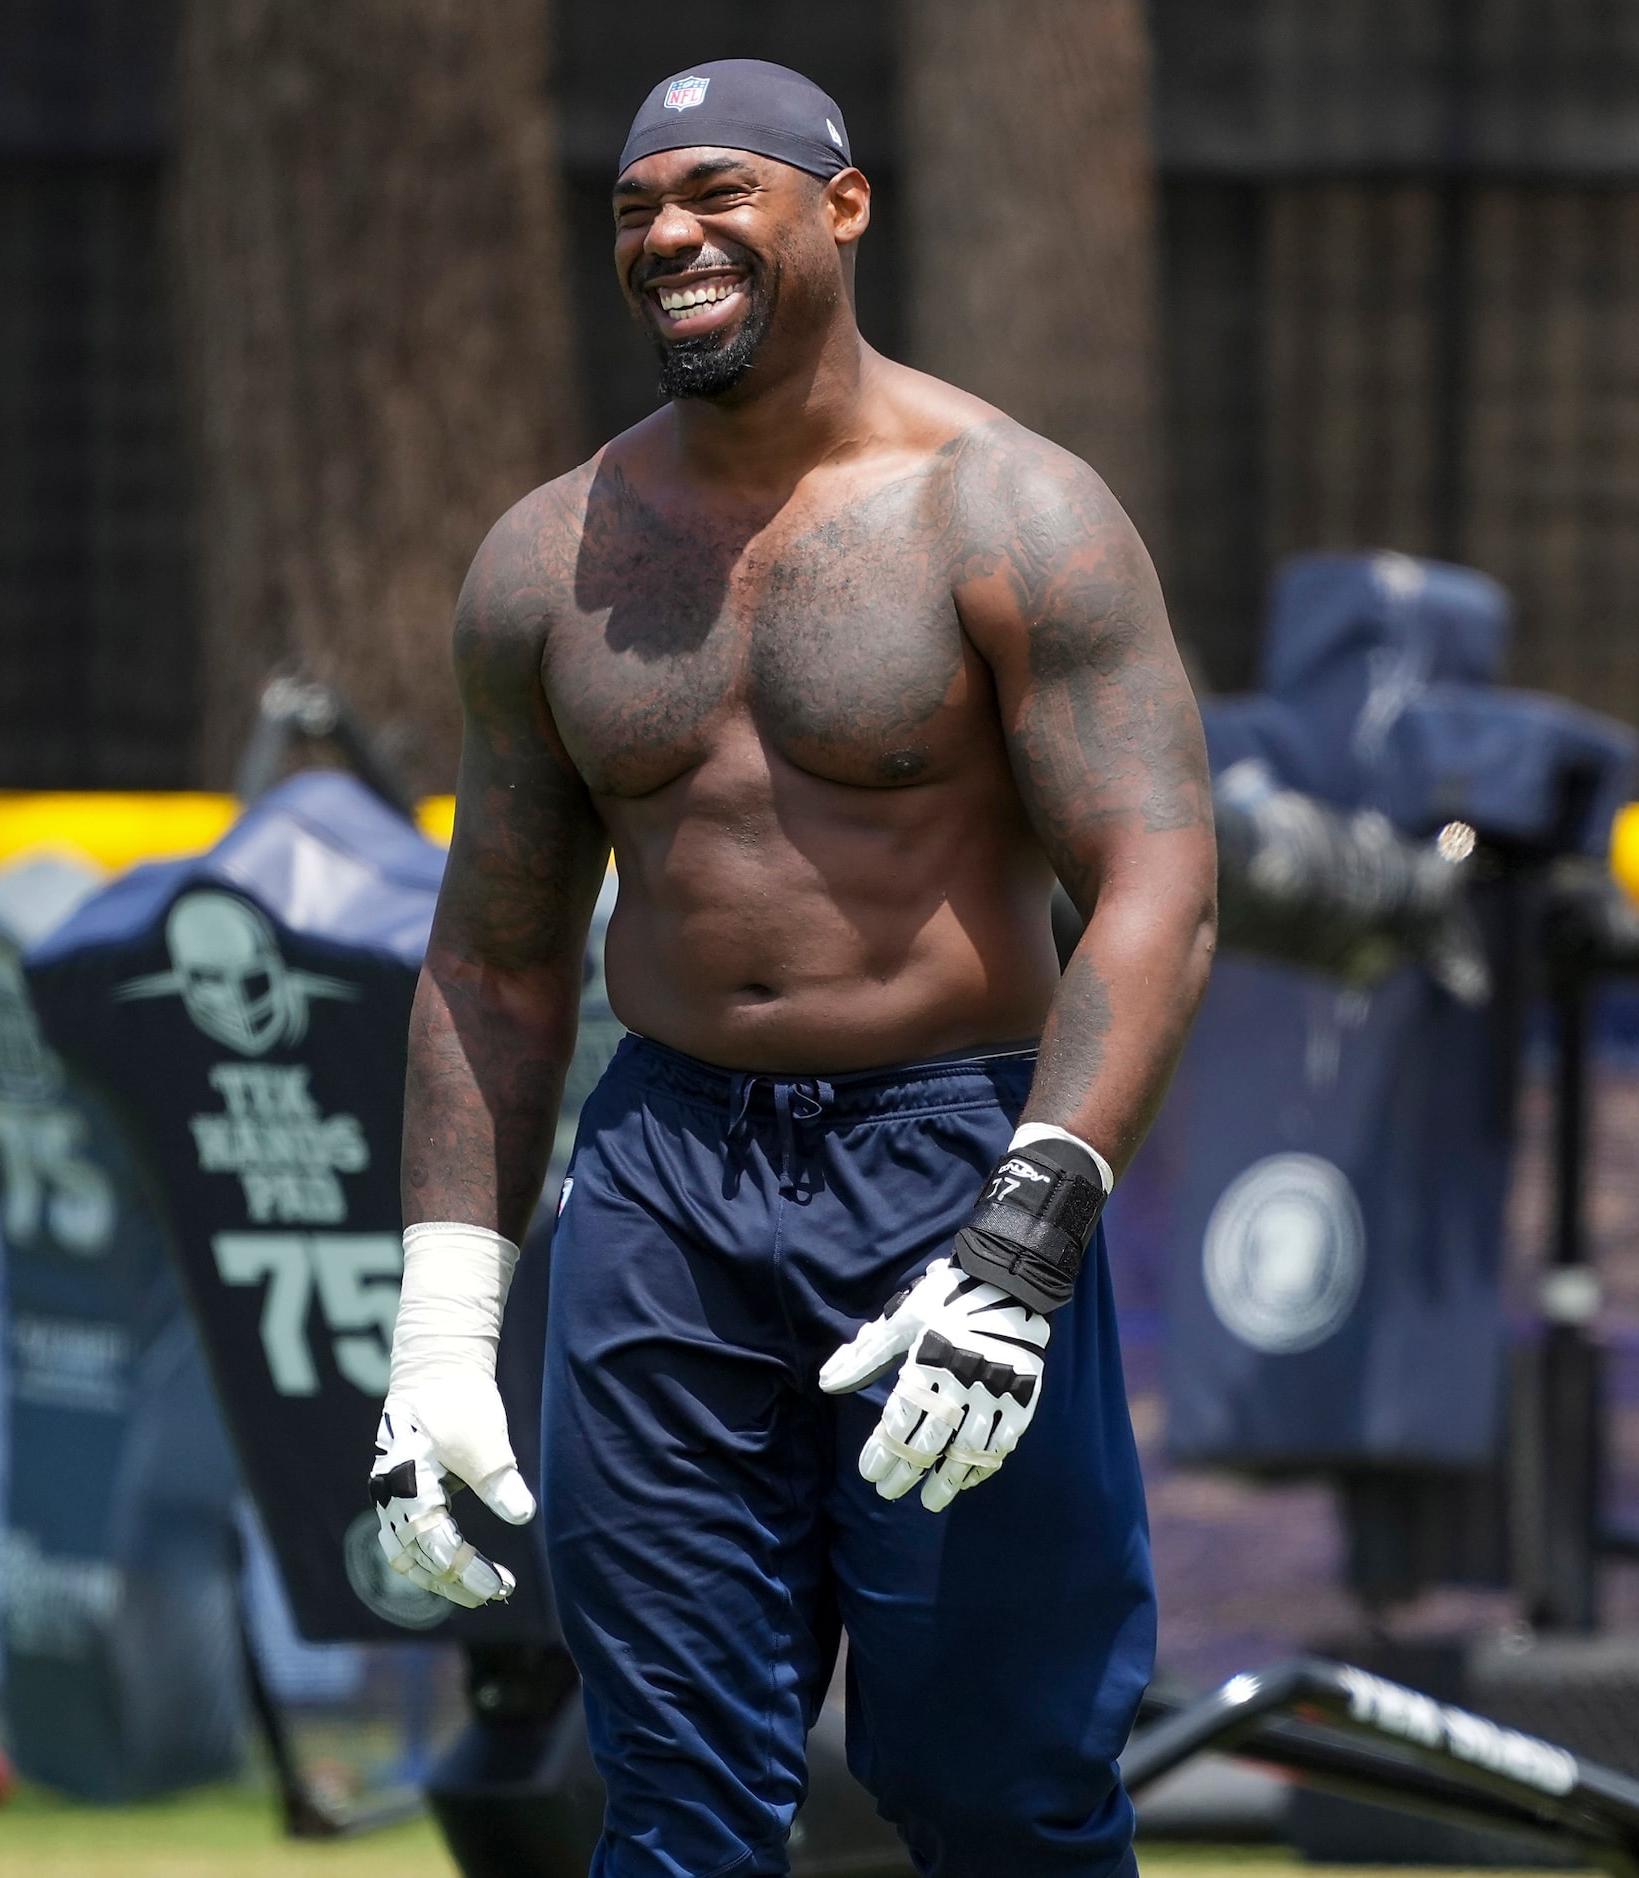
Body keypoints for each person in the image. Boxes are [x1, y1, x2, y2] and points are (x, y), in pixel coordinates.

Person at [365, 57, 1215, 1878]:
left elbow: (1155, 885)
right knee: (671, 1791)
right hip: (664, 1177)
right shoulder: (547, 560)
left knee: (1002, 1785)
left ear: (839, 206)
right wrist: (442, 1326)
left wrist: (1025, 1232)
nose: (670, 233)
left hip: (949, 1157)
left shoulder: (1012, 513)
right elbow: (495, 961)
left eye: (717, 191)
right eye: (633, 207)